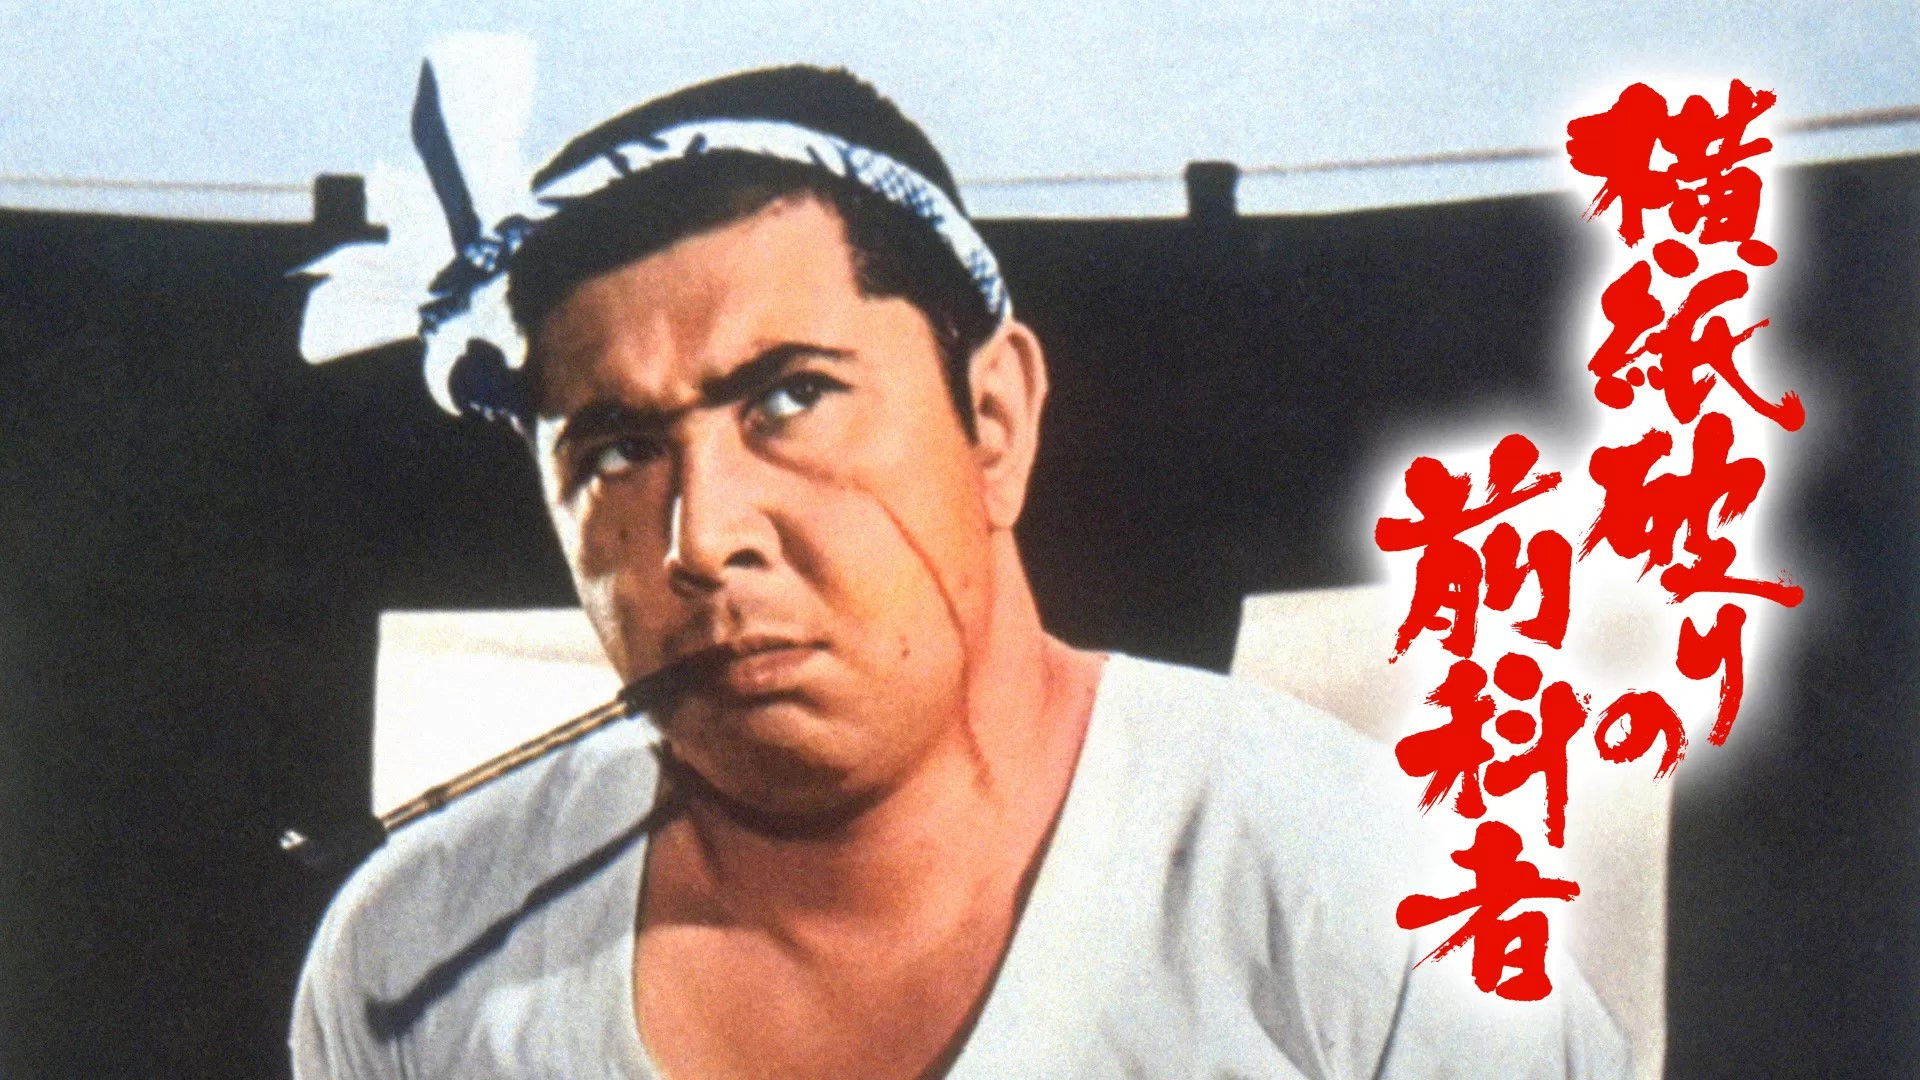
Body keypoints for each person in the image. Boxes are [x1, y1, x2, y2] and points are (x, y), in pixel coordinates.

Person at [291, 63, 1632, 1078]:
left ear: (993, 420)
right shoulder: (414, 960)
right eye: (620, 451)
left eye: (789, 397)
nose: (702, 537)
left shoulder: (1359, 886)